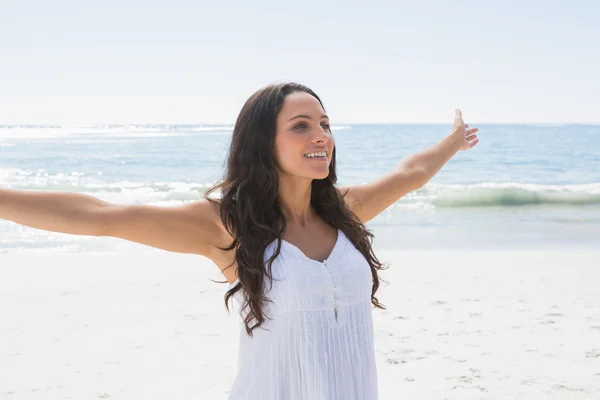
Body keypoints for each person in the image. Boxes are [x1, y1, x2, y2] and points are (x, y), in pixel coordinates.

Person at [0, 82, 479, 399]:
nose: (322, 137)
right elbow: (100, 215)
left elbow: (410, 173)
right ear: (262, 142)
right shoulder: (227, 226)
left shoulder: (342, 211)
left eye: (325, 125)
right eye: (301, 126)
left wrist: (452, 143)